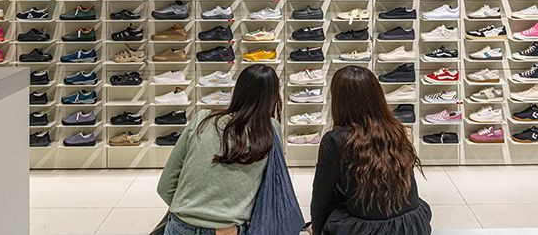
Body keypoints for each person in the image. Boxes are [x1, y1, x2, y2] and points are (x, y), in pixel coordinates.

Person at [157, 64, 282, 235]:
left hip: (181, 225)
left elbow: (165, 186)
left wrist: (190, 213)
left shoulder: (202, 119)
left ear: (238, 90)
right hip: (229, 229)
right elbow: (274, 187)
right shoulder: (270, 130)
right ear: (273, 97)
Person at [310, 65, 432, 235]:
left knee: (335, 208)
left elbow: (321, 197)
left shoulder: (336, 139)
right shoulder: (396, 130)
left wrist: (317, 229)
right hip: (412, 224)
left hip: (369, 229)